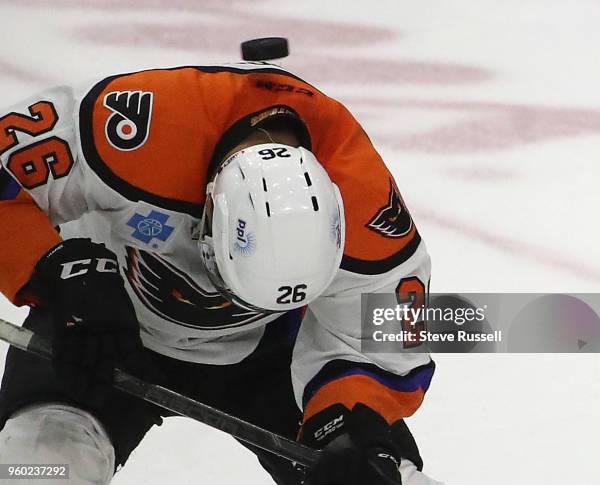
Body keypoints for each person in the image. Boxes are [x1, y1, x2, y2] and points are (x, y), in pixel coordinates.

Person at [0, 62, 439, 485]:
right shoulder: (134, 126)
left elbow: (385, 343)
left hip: (273, 352)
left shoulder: (369, 206)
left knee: (382, 478)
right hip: (104, 325)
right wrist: (55, 269)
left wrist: (343, 425)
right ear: (208, 210)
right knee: (35, 470)